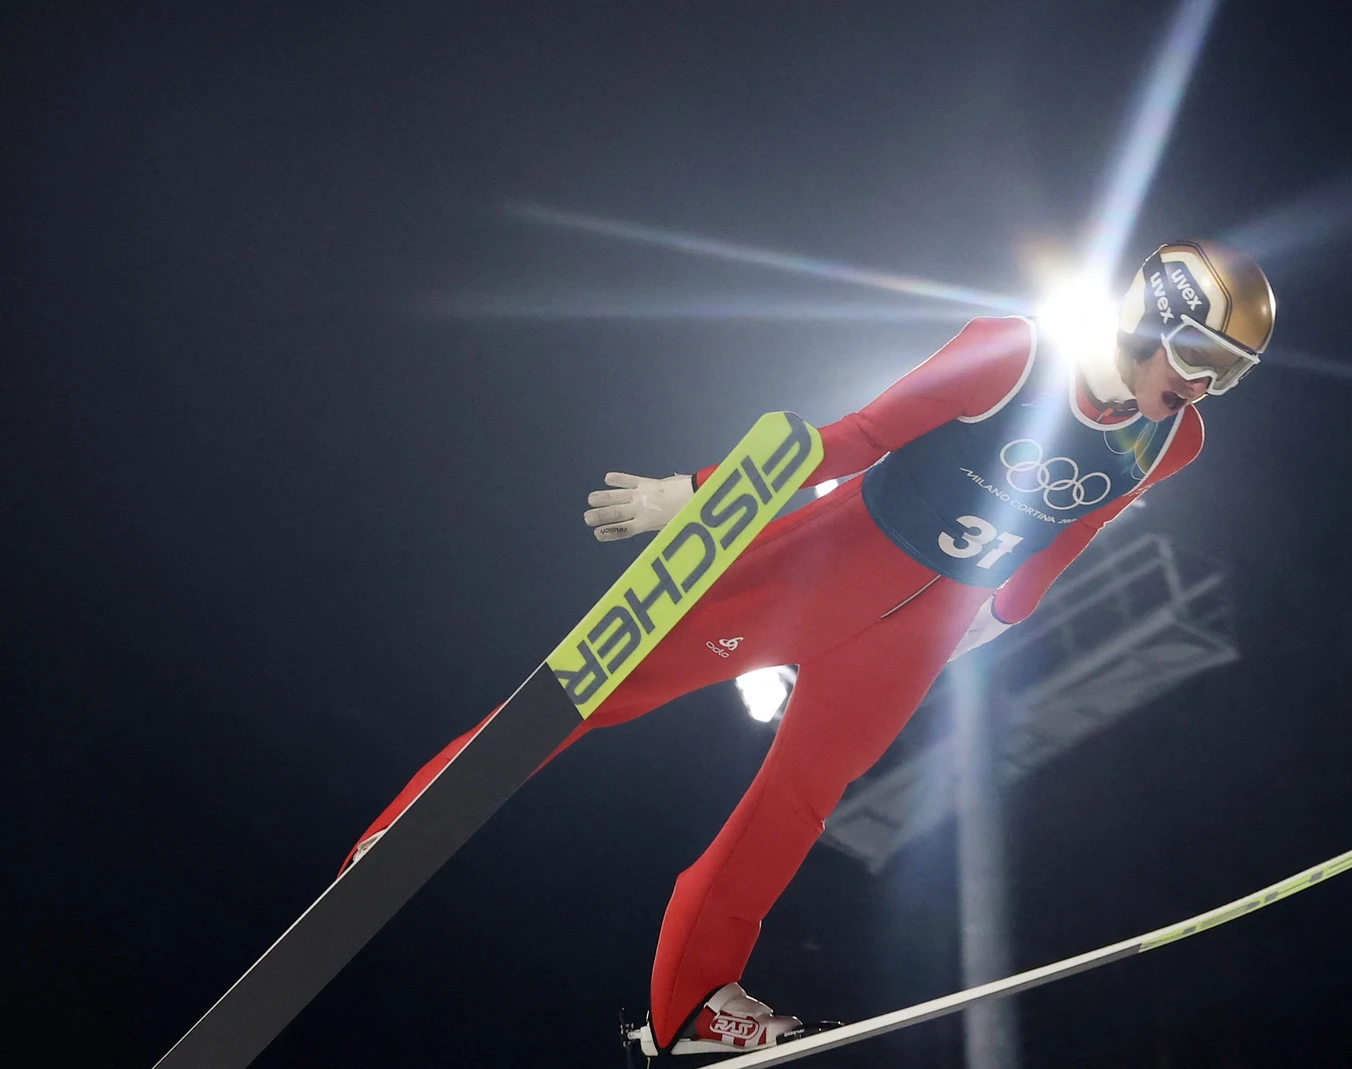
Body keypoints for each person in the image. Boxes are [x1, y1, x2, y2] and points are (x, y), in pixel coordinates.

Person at [346, 239, 1276, 1056]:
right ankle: (410, 821)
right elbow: (858, 437)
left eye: (1228, 375)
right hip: (827, 563)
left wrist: (1002, 614)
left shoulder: (1174, 439)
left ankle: (690, 1007)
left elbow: (1075, 528)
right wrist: (701, 493)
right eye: (1200, 356)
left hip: (925, 627)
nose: (1202, 387)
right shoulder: (1013, 351)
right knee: (613, 679)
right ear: (1150, 319)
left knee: (800, 797)